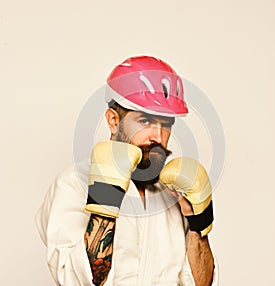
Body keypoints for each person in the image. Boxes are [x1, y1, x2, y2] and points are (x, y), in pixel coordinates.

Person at [36, 55, 218, 286]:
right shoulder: (73, 183)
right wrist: (105, 196)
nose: (158, 137)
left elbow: (201, 284)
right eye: (145, 121)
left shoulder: (174, 194)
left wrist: (198, 224)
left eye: (166, 124)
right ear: (113, 120)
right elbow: (74, 279)